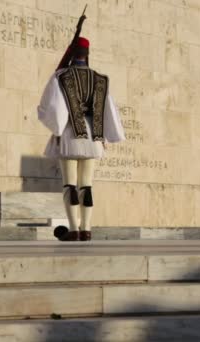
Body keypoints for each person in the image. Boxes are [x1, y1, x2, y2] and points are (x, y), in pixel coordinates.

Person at [37, 37, 125, 241]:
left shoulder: (61, 76)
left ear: (72, 53)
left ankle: (74, 229)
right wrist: (104, 135)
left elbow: (53, 108)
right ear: (88, 54)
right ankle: (86, 229)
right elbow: (109, 110)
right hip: (93, 137)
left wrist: (56, 127)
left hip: (70, 133)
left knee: (70, 184)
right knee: (86, 185)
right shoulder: (100, 78)